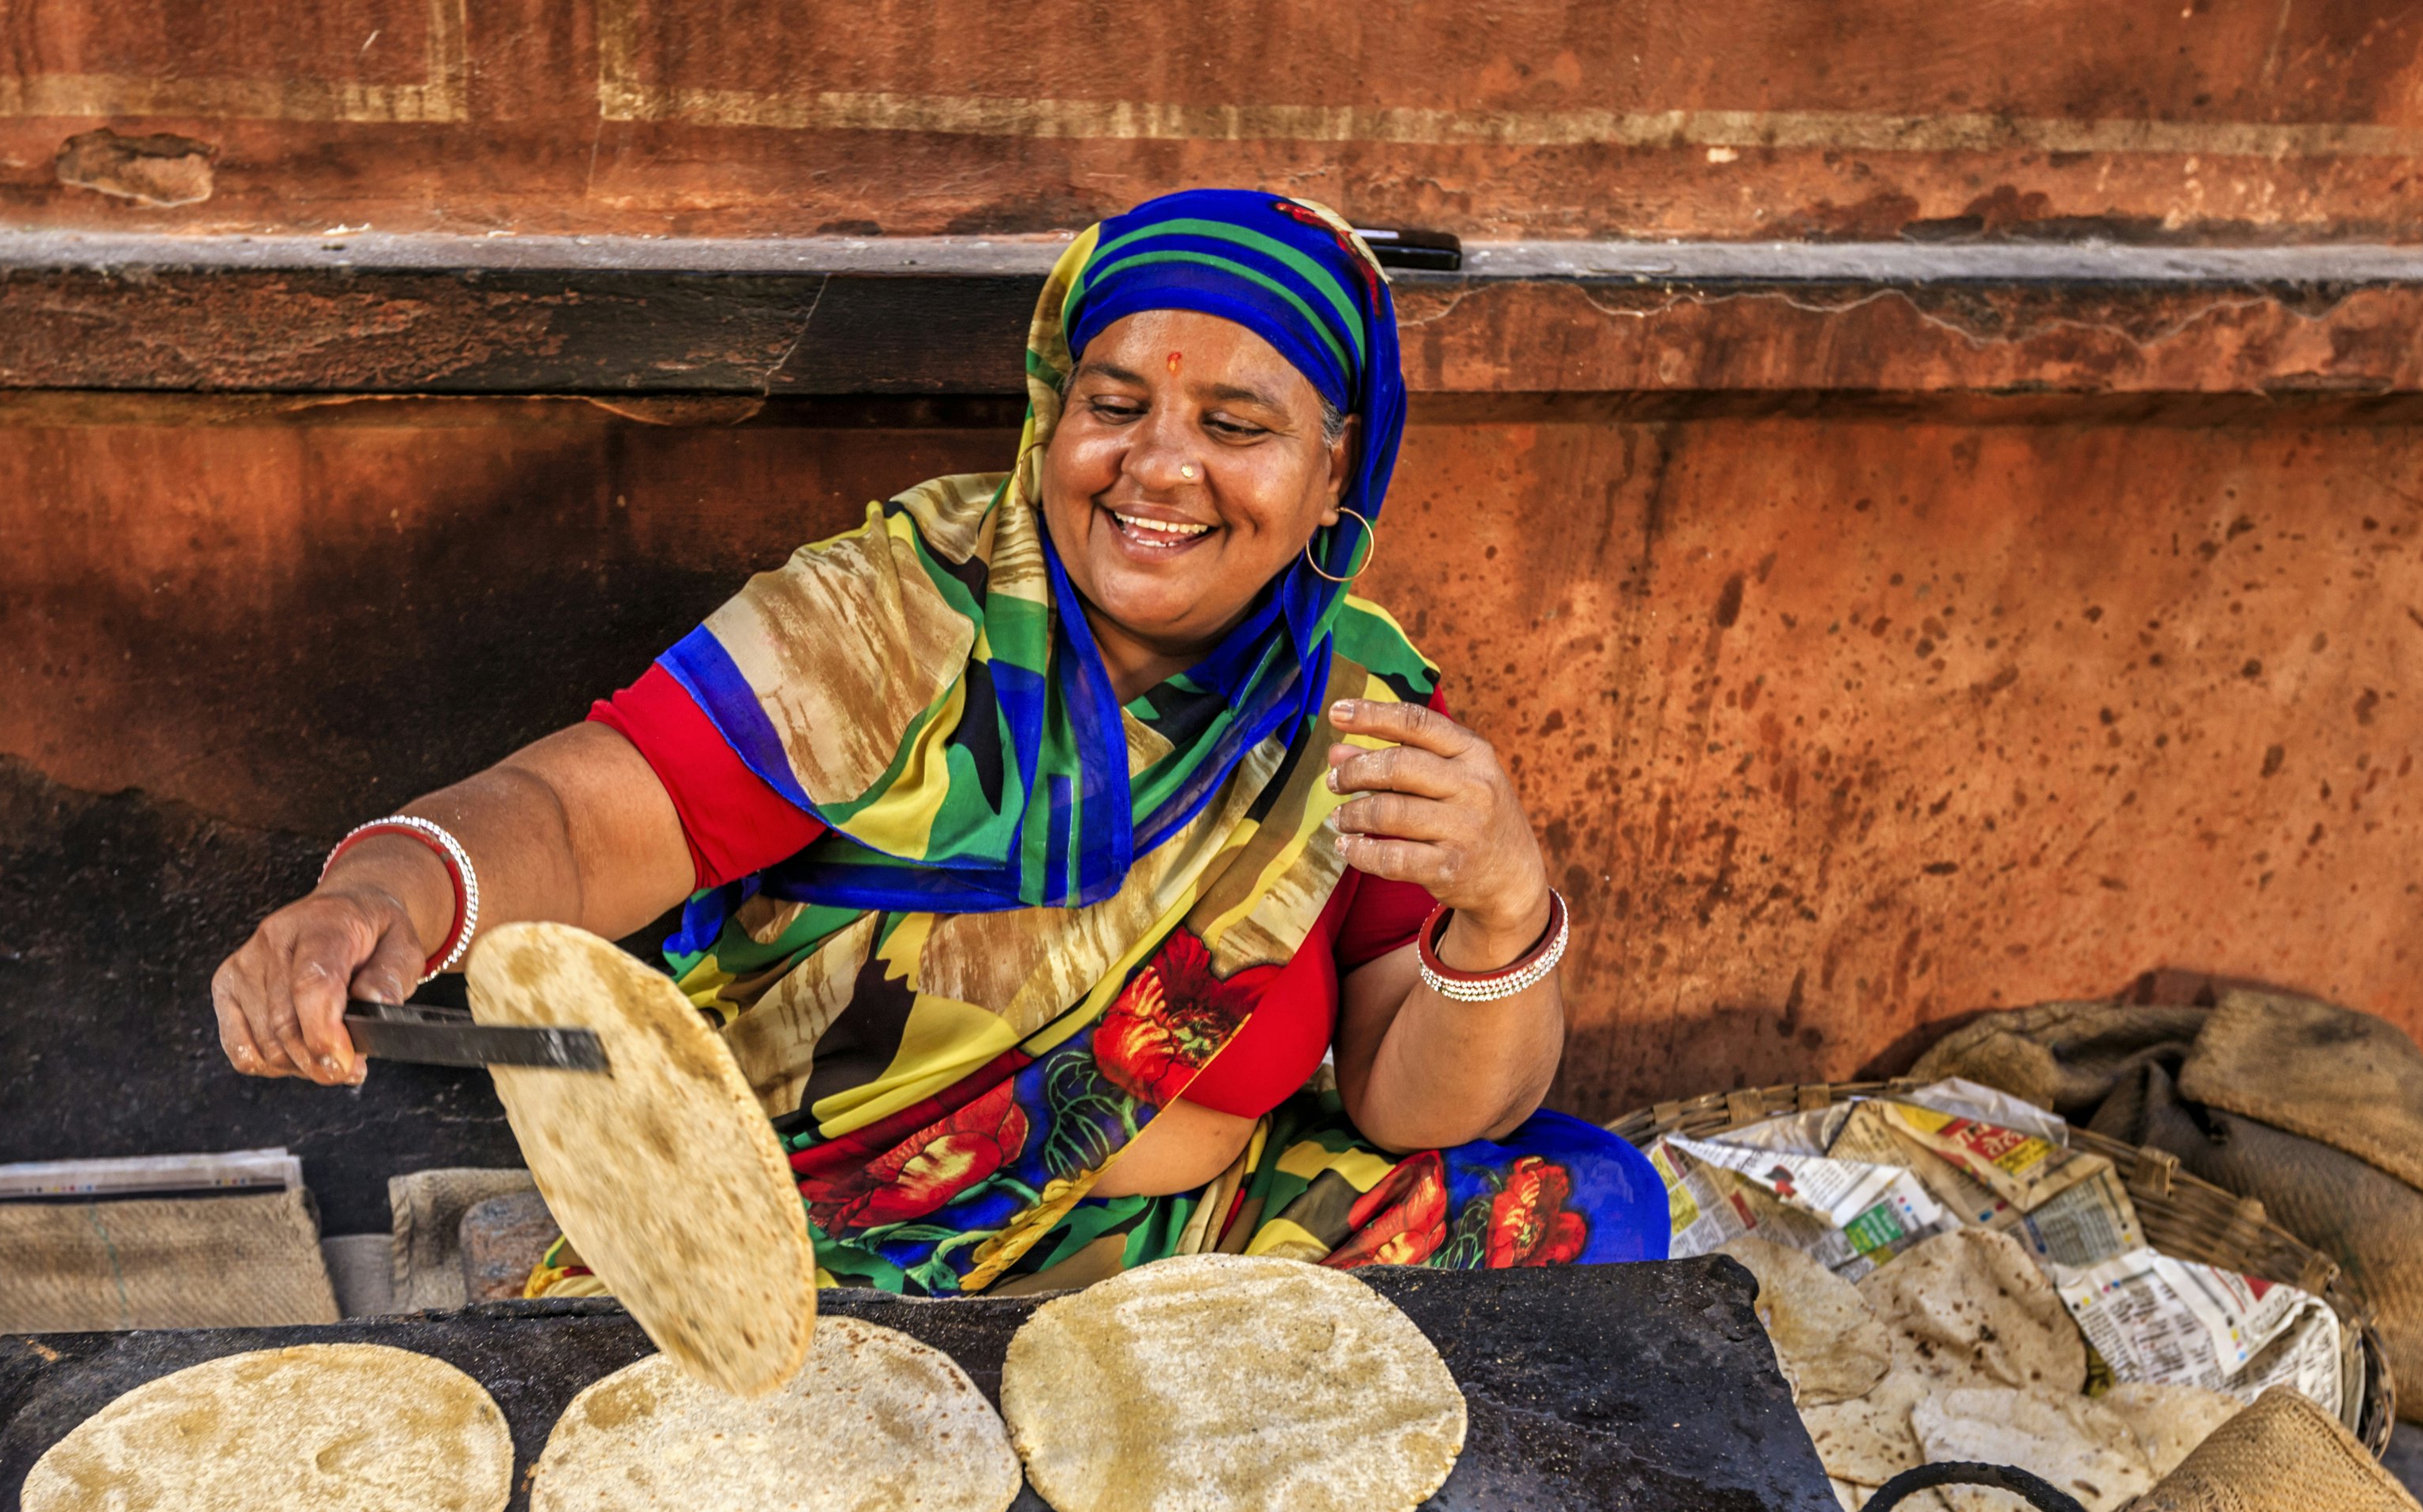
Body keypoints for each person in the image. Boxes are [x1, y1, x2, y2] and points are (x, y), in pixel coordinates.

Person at [214, 189, 1661, 1294]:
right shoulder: (894, 614)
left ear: (1336, 463)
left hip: (1174, 1241)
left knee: (1575, 1223)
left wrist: (1505, 908)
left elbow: (1417, 1104)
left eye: (1238, 423)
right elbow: (583, 818)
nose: (1160, 466)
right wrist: (379, 899)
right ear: (1051, 414)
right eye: (1115, 406)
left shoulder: (1358, 702)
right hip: (828, 1235)